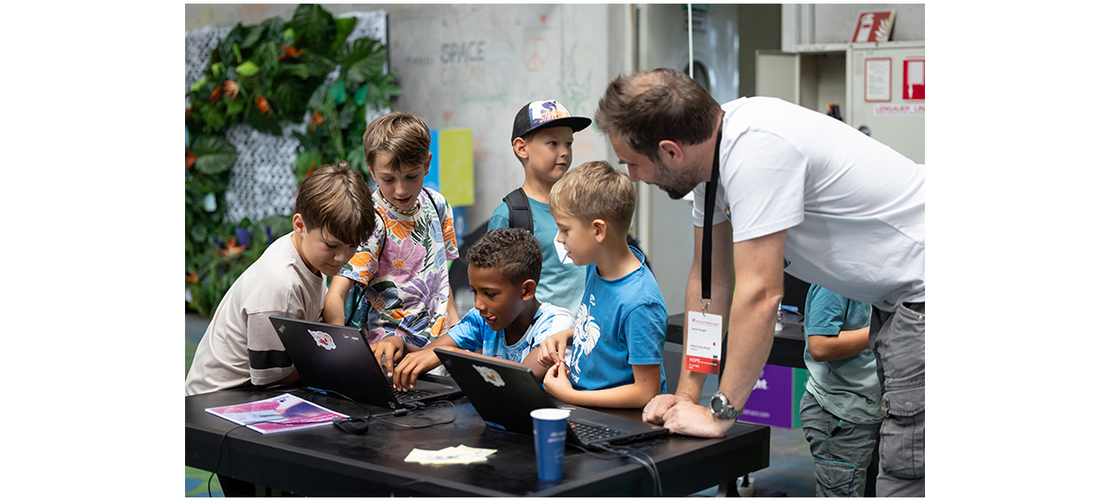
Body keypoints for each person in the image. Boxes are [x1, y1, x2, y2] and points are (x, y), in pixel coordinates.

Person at [601, 68, 924, 496]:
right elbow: (709, 282)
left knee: (908, 470)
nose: (633, 177)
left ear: (670, 151)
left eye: (632, 163)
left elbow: (760, 293)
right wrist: (687, 394)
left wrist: (720, 412)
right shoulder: (711, 164)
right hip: (896, 299)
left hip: (925, 290)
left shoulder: (756, 151)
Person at [185, 162, 376, 397]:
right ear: (300, 225)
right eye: (331, 245)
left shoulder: (307, 255)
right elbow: (270, 379)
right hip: (218, 400)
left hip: (255, 388)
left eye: (352, 246)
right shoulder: (280, 285)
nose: (342, 257)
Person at [535, 160, 668, 409]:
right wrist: (567, 335)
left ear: (598, 230)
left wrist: (569, 396)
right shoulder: (595, 266)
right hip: (583, 404)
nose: (560, 239)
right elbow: (611, 336)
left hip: (615, 419)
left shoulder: (640, 303)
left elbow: (646, 391)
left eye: (565, 230)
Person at [322, 112, 460, 349]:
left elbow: (442, 282)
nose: (401, 189)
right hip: (388, 356)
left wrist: (458, 332)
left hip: (437, 353)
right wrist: (343, 351)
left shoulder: (438, 205)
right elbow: (335, 294)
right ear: (372, 171)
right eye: (388, 179)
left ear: (427, 164)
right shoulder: (370, 221)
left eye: (411, 176)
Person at [375, 228, 576, 390]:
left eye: (490, 294)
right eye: (474, 292)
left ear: (527, 290)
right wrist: (400, 347)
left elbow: (524, 376)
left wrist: (447, 353)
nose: (478, 305)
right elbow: (428, 354)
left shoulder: (556, 325)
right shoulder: (482, 319)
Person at [486, 99, 592, 312]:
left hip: (585, 331)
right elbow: (495, 286)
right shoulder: (509, 215)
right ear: (522, 148)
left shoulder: (584, 205)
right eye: (553, 143)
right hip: (539, 337)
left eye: (568, 144)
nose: (564, 152)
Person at [799, 284, 880, 497]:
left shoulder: (881, 276)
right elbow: (820, 346)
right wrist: (881, 330)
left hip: (874, 410)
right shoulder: (835, 284)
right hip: (840, 413)